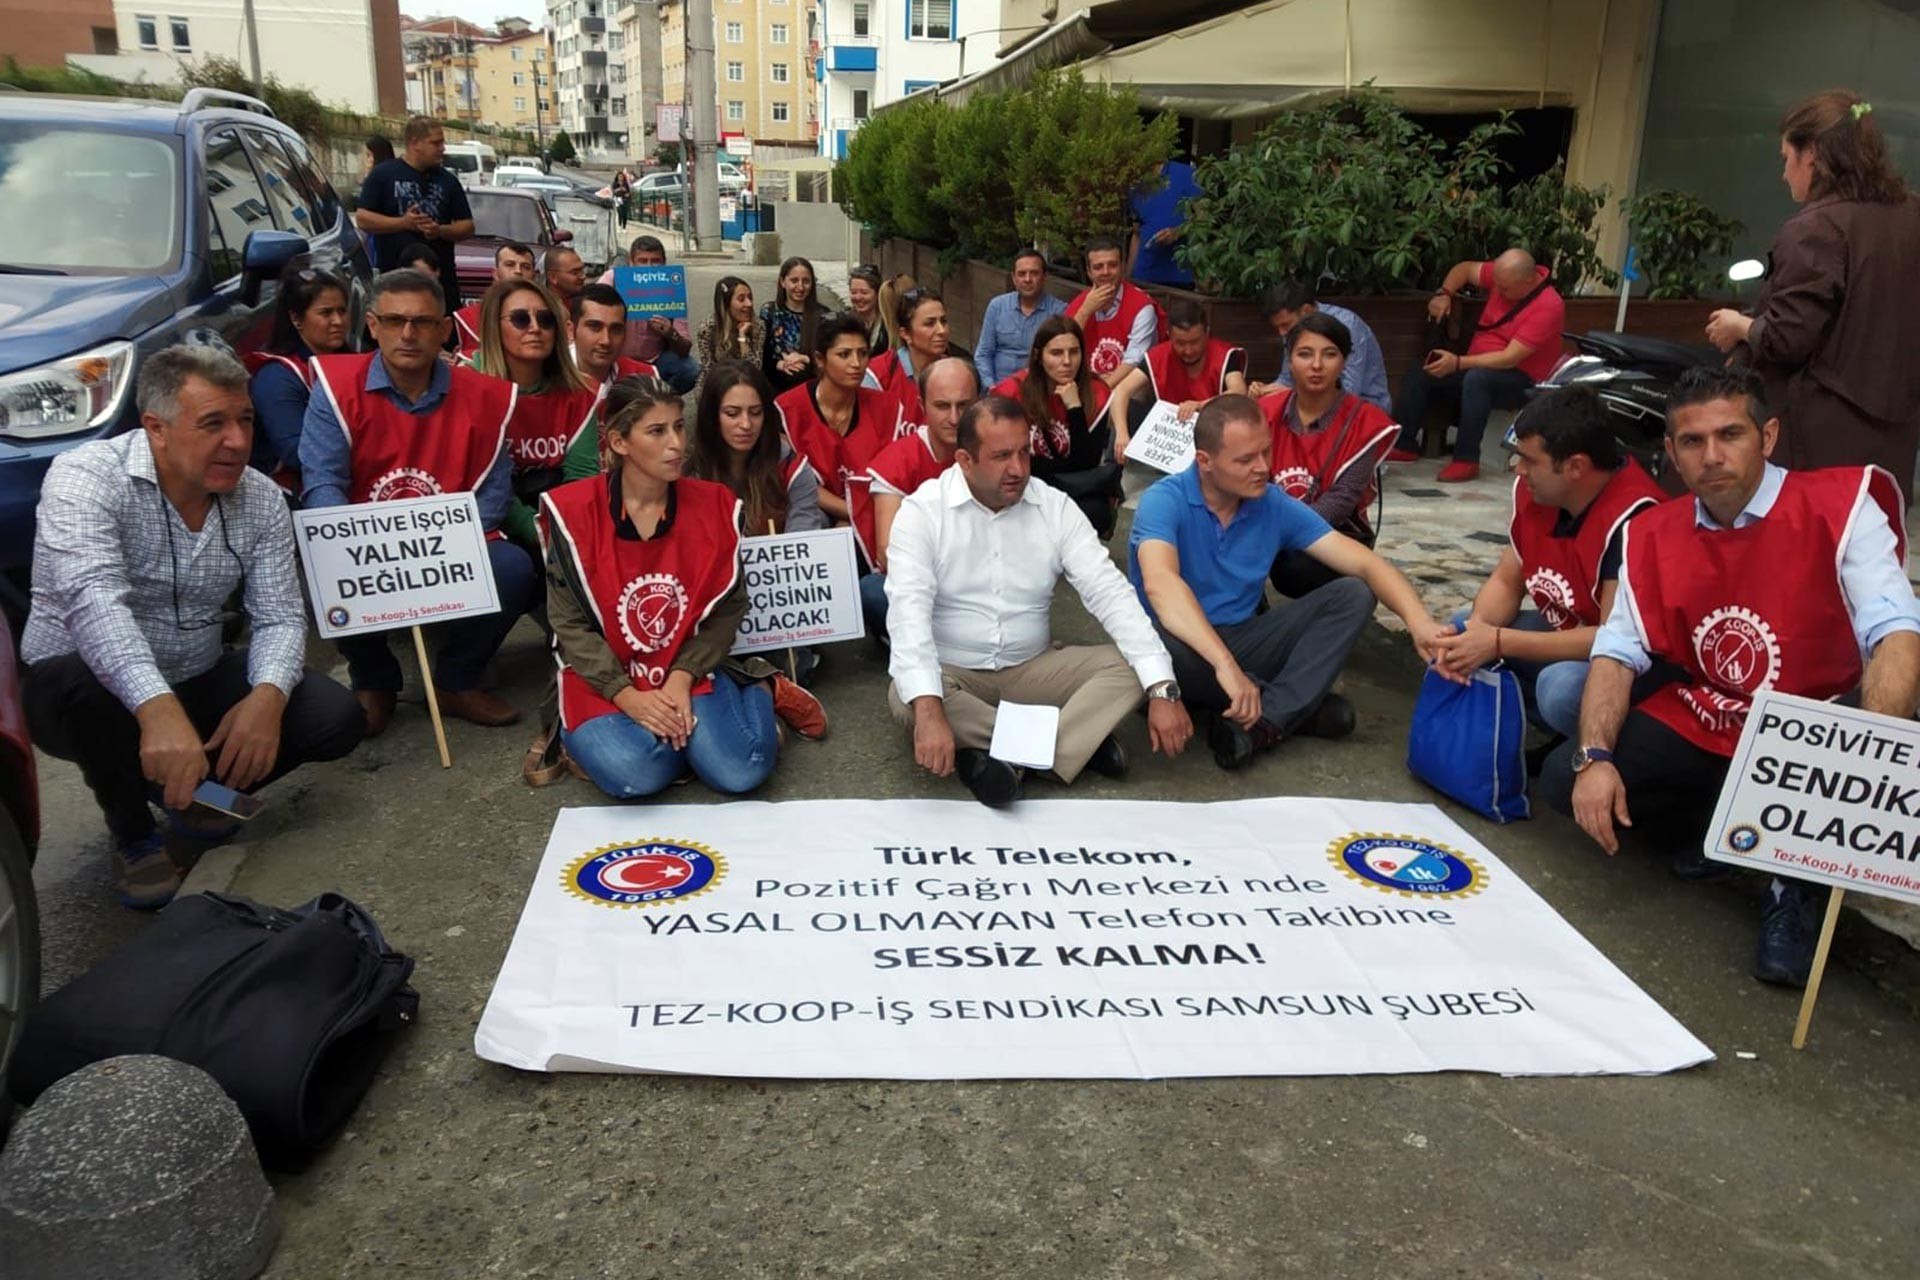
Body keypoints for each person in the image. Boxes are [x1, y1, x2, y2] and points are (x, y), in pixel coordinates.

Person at [1544, 367, 1920, 987]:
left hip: (1810, 725)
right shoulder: (1652, 532)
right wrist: (1594, 759)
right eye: (1692, 442)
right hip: (1712, 712)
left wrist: (1868, 760)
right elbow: (1617, 651)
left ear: (1767, 437)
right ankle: (1725, 835)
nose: (1712, 456)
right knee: (1567, 778)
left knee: (1788, 942)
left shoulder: (1840, 507)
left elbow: (1895, 630)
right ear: (1670, 452)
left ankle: (1793, 884)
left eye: (1730, 434)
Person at [21, 346, 365, 908]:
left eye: (245, 420)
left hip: (194, 668)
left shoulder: (258, 497)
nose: (237, 440)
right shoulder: (85, 478)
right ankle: (132, 832)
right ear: (156, 428)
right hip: (84, 688)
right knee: (82, 683)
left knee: (333, 716)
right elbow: (95, 603)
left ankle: (191, 793)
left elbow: (279, 613)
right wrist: (156, 709)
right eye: (213, 424)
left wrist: (267, 699)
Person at [886, 395, 1196, 807]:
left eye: (1024, 453)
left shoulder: (1053, 506)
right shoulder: (922, 512)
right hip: (954, 673)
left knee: (1133, 666)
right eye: (1000, 456)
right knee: (909, 699)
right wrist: (929, 712)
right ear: (964, 459)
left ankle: (1007, 758)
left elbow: (1110, 593)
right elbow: (908, 615)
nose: (1017, 469)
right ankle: (1074, 747)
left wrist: (1163, 691)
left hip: (1033, 669)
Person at [1130, 394, 1447, 771]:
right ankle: (1277, 702)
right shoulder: (1164, 501)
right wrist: (1225, 666)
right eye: (1245, 460)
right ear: (1205, 462)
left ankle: (1264, 720)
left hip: (1244, 636)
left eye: (1266, 452)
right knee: (1163, 650)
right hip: (1178, 645)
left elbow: (1366, 564)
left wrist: (1419, 622)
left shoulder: (1271, 503)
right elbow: (1160, 585)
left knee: (1352, 594)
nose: (1263, 468)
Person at [299, 269, 538, 736]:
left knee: (512, 567)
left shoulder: (484, 397)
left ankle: (456, 679)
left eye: (423, 323)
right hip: (368, 544)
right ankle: (374, 679)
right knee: (320, 557)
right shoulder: (336, 387)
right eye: (394, 320)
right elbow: (322, 482)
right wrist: (374, 546)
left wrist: (433, 546)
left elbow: (493, 492)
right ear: (372, 324)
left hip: (449, 543)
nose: (408, 334)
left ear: (445, 329)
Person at [541, 384, 784, 797]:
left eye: (678, 428)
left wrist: (682, 678)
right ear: (619, 442)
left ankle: (760, 686)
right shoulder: (574, 513)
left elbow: (730, 607)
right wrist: (626, 696)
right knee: (635, 775)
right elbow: (569, 624)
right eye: (656, 432)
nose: (676, 445)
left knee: (742, 771)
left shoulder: (715, 505)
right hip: (607, 675)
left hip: (683, 664)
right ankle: (683, 739)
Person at [1705, 90, 1920, 505]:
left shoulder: (1817, 228)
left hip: (1820, 438)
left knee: (1808, 559)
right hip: (1894, 435)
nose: (1784, 174)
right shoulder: (1911, 215)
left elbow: (1787, 338)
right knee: (1870, 553)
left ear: (1813, 154)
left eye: (1786, 158)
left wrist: (1739, 325)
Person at [1428, 386, 1665, 741]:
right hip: (1568, 630)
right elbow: (1508, 581)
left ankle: (1602, 748)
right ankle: (1519, 723)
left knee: (1560, 689)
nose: (1517, 470)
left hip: (1627, 662)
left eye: (1529, 460)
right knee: (1462, 627)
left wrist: (1496, 641)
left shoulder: (1637, 519)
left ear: (1575, 467)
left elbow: (1613, 636)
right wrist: (1477, 637)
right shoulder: (1542, 492)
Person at [1390, 248, 1566, 482]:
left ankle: (1466, 459)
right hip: (1476, 365)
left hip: (1520, 379)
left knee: (1479, 379)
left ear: (1529, 280)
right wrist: (1445, 293)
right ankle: (1404, 444)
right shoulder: (1504, 274)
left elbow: (1509, 358)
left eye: (1504, 289)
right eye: (1497, 285)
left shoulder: (1548, 306)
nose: (1499, 292)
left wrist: (1459, 363)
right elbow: (1463, 269)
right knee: (1423, 370)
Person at [1260, 312, 1402, 598]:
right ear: (1290, 359)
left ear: (1345, 360)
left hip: (1333, 534)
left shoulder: (1365, 422)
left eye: (1329, 354)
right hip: (1266, 524)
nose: (1316, 365)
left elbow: (1340, 502)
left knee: (1294, 568)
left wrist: (1274, 536)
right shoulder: (1265, 411)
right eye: (1304, 354)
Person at [468, 276, 603, 552]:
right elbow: (485, 486)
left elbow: (582, 480)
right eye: (520, 319)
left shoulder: (580, 393)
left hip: (559, 521)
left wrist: (563, 536)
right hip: (492, 526)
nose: (535, 328)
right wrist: (542, 536)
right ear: (495, 327)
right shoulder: (469, 388)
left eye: (545, 319)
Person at [852, 357, 977, 640]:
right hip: (925, 584)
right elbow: (888, 553)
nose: (955, 418)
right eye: (943, 406)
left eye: (964, 406)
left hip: (981, 578)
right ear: (922, 407)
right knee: (871, 590)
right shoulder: (898, 460)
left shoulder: (990, 451)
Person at [991, 316, 1121, 539]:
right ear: (1038, 356)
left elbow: (1086, 463)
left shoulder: (1097, 393)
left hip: (1072, 484)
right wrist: (1055, 472)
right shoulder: (1011, 393)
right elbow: (1003, 456)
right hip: (1027, 482)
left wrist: (1074, 407)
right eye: (1056, 353)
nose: (1067, 361)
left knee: (1096, 512)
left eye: (1074, 351)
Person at [776, 313, 902, 527]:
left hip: (874, 509)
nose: (856, 363)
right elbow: (795, 480)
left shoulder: (887, 408)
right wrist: (851, 514)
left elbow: (891, 478)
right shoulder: (788, 409)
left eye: (863, 354)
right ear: (820, 359)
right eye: (844, 354)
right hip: (813, 509)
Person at [246, 263, 351, 489]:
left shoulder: (351, 360)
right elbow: (297, 453)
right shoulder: (277, 377)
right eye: (326, 313)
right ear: (296, 319)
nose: (338, 321)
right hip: (293, 492)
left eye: (342, 311)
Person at [354, 115, 473, 313]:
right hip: (394, 284)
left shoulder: (448, 180)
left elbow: (467, 226)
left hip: (441, 286)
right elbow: (363, 219)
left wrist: (440, 230)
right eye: (436, 143)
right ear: (415, 143)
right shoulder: (383, 175)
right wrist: (403, 223)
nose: (442, 148)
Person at [1111, 297, 1246, 457]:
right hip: (1168, 442)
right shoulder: (1158, 356)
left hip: (1215, 437)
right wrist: (1122, 434)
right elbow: (1121, 390)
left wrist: (1200, 405)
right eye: (1180, 343)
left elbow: (1239, 391)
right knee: (1130, 410)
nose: (1188, 350)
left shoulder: (1225, 355)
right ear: (1170, 336)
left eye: (1195, 342)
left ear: (1207, 333)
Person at [1245, 280, 1391, 413]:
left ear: (1307, 311)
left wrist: (1289, 392)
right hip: (1310, 403)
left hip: (1365, 407)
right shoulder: (1293, 331)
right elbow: (1286, 378)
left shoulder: (1347, 325)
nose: (1282, 333)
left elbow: (1351, 390)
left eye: (1285, 325)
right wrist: (1264, 390)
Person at [598, 236, 698, 393]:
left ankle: (659, 401)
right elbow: (590, 311)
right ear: (631, 263)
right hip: (616, 359)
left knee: (689, 370)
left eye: (655, 261)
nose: (649, 267)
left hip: (655, 361)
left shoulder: (672, 287)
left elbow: (685, 349)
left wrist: (670, 333)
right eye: (642, 261)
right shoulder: (613, 279)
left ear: (664, 263)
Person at [1066, 235, 1160, 388]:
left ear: (1122, 267)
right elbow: (1061, 344)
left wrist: (1101, 390)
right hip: (1086, 382)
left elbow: (1134, 360)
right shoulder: (1079, 304)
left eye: (1112, 265)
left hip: (1129, 384)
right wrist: (1085, 311)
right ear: (1089, 272)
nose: (1106, 272)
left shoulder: (1142, 306)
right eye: (1098, 267)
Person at [973, 249, 1067, 387]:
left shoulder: (1059, 311)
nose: (1027, 279)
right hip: (998, 388)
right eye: (1022, 274)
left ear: (1044, 276)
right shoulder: (997, 306)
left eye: (1034, 273)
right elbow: (983, 354)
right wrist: (991, 387)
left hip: (1037, 390)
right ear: (1014, 278)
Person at [866, 286, 951, 426]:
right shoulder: (878, 375)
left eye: (944, 321)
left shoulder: (957, 375)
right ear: (905, 334)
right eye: (930, 323)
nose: (941, 331)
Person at [453, 242, 536, 360]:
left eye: (526, 266)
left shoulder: (547, 315)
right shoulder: (469, 317)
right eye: (510, 264)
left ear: (534, 276)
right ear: (495, 274)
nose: (518, 271)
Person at [570, 283, 660, 389]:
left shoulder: (644, 378)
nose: (606, 341)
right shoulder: (548, 379)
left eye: (616, 330)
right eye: (595, 327)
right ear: (570, 330)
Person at [1127, 160, 1200, 289]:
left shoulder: (1186, 174)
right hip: (1143, 276)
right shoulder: (1134, 183)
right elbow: (1137, 233)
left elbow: (1205, 220)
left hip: (1178, 275)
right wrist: (1127, 277)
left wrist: (1177, 232)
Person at [760, 255, 826, 395]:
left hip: (811, 387)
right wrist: (780, 364)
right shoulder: (769, 312)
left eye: (806, 281)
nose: (800, 287)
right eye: (794, 280)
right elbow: (762, 353)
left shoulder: (824, 316)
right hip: (775, 386)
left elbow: (830, 356)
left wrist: (806, 359)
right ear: (783, 282)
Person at [694, 276, 762, 385]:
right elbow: (708, 370)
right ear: (726, 305)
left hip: (748, 384)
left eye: (750, 297)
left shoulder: (758, 325)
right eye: (741, 299)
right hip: (717, 385)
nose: (749, 304)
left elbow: (754, 369)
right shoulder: (708, 328)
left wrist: (742, 338)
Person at [847, 264, 890, 355]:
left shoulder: (887, 325)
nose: (858, 297)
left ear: (877, 293)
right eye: (853, 292)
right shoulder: (845, 321)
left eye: (864, 292)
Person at [543, 246, 587, 311]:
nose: (583, 276)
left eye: (582, 270)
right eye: (575, 273)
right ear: (552, 277)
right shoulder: (541, 306)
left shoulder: (585, 302)